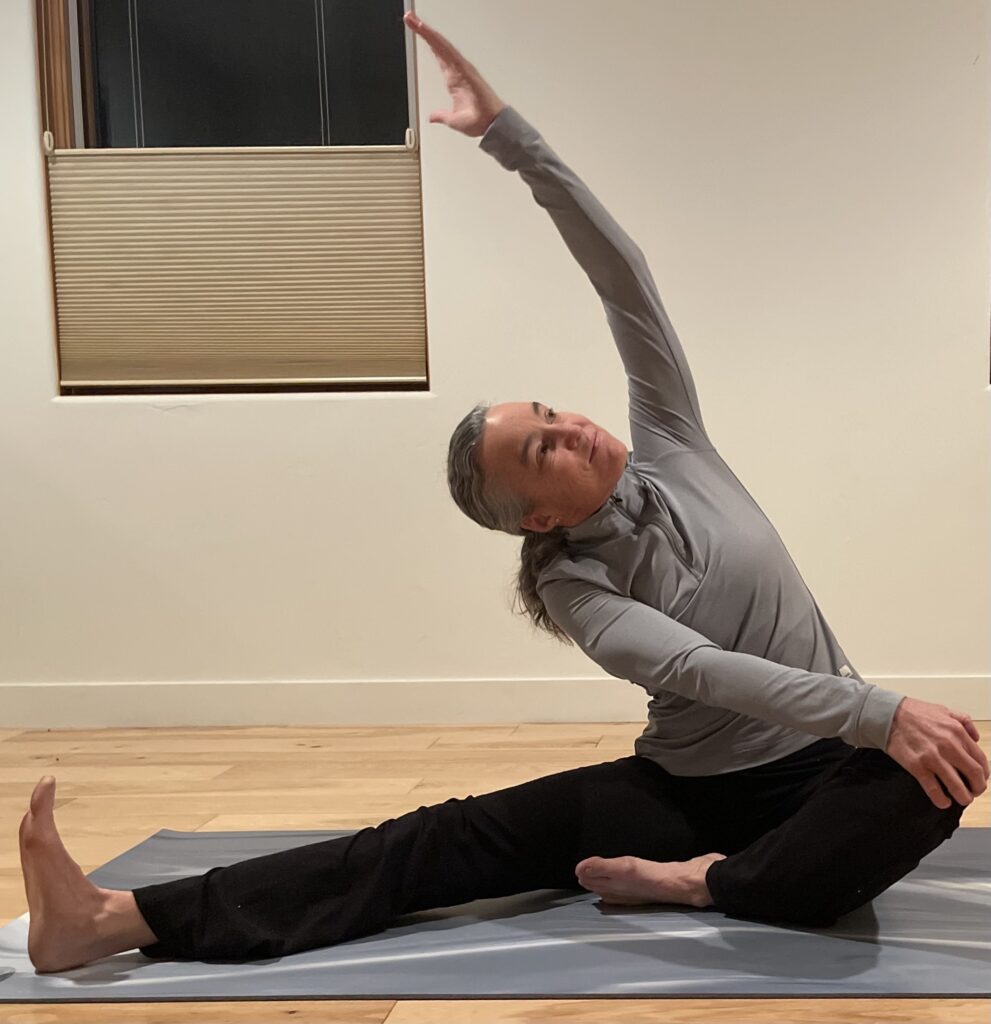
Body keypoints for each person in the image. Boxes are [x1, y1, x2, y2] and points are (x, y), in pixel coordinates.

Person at [19, 12, 989, 975]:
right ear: (537, 516)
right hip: (691, 792)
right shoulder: (576, 589)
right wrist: (875, 708)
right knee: (431, 842)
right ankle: (108, 918)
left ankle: (710, 884)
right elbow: (701, 669)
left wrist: (507, 138)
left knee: (939, 774)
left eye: (553, 413)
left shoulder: (674, 445)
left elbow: (624, 280)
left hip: (827, 761)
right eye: (542, 449)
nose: (571, 429)